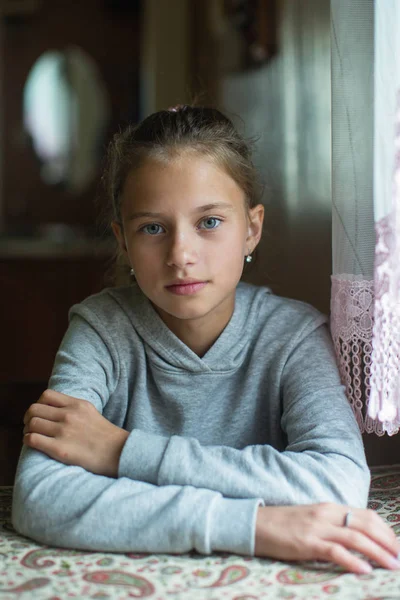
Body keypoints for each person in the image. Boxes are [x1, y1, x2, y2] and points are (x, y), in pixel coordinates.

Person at [12, 105, 400, 574]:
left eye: (209, 222)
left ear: (252, 229)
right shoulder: (101, 329)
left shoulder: (294, 337)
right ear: (123, 240)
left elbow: (338, 482)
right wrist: (253, 526)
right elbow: (40, 497)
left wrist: (120, 451)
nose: (181, 255)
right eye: (152, 228)